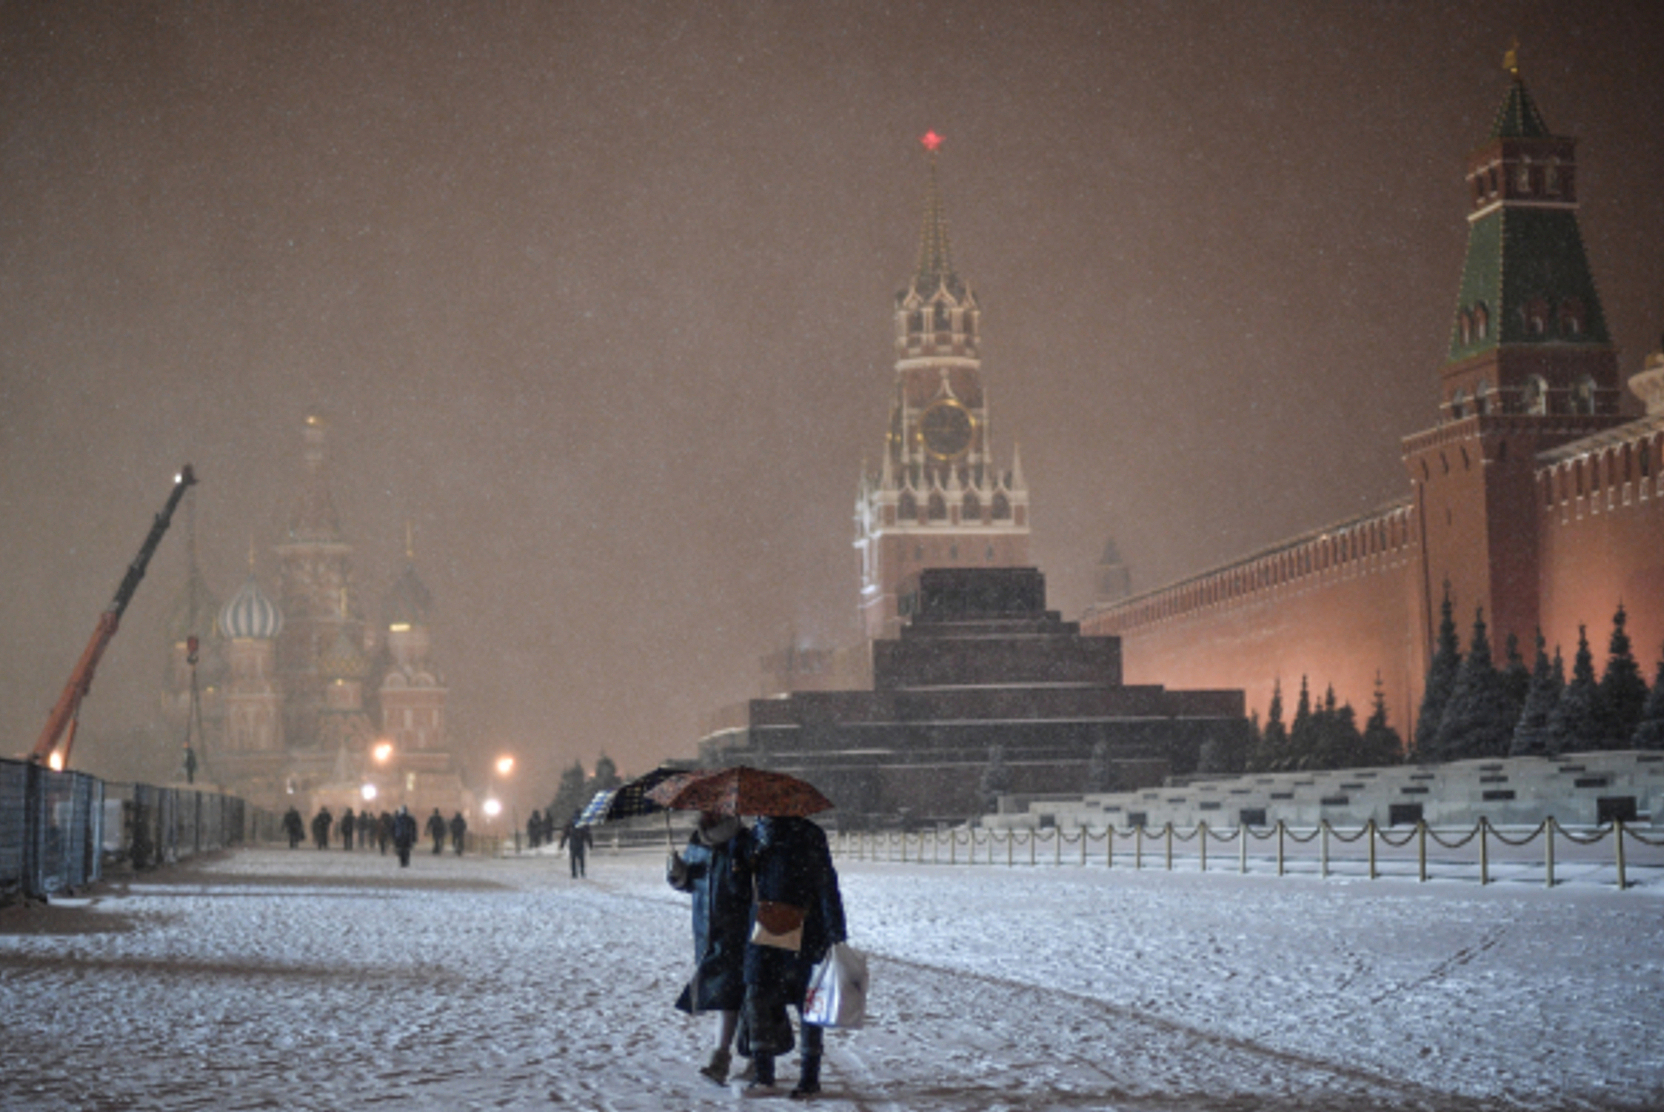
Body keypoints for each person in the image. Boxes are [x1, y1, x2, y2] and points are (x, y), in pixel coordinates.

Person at [741, 815, 846, 1098]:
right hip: (764, 929)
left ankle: (807, 1079)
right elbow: (740, 881)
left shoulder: (806, 836)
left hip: (803, 930)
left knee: (806, 1003)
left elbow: (825, 884)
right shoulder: (755, 836)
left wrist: (835, 932)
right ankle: (766, 1074)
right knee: (758, 996)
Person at [667, 812, 753, 1085]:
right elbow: (693, 884)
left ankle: (735, 1059)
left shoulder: (743, 842)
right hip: (707, 931)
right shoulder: (697, 842)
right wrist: (678, 876)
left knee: (741, 996)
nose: (701, 817)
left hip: (739, 931)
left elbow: (754, 888)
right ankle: (734, 1059)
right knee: (727, 996)